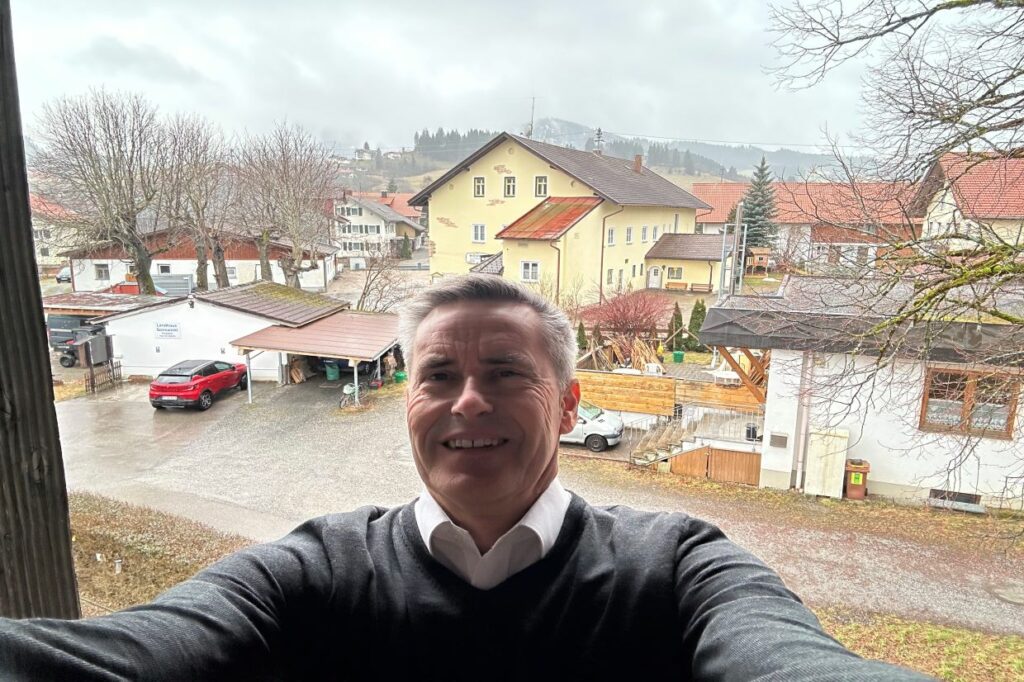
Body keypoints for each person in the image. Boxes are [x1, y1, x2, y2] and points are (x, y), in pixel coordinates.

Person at [0, 275, 930, 680]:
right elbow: (130, 654)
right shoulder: (318, 567)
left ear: (567, 407)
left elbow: (793, 665)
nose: (468, 402)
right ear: (409, 399)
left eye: (507, 375)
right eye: (438, 375)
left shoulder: (677, 566)